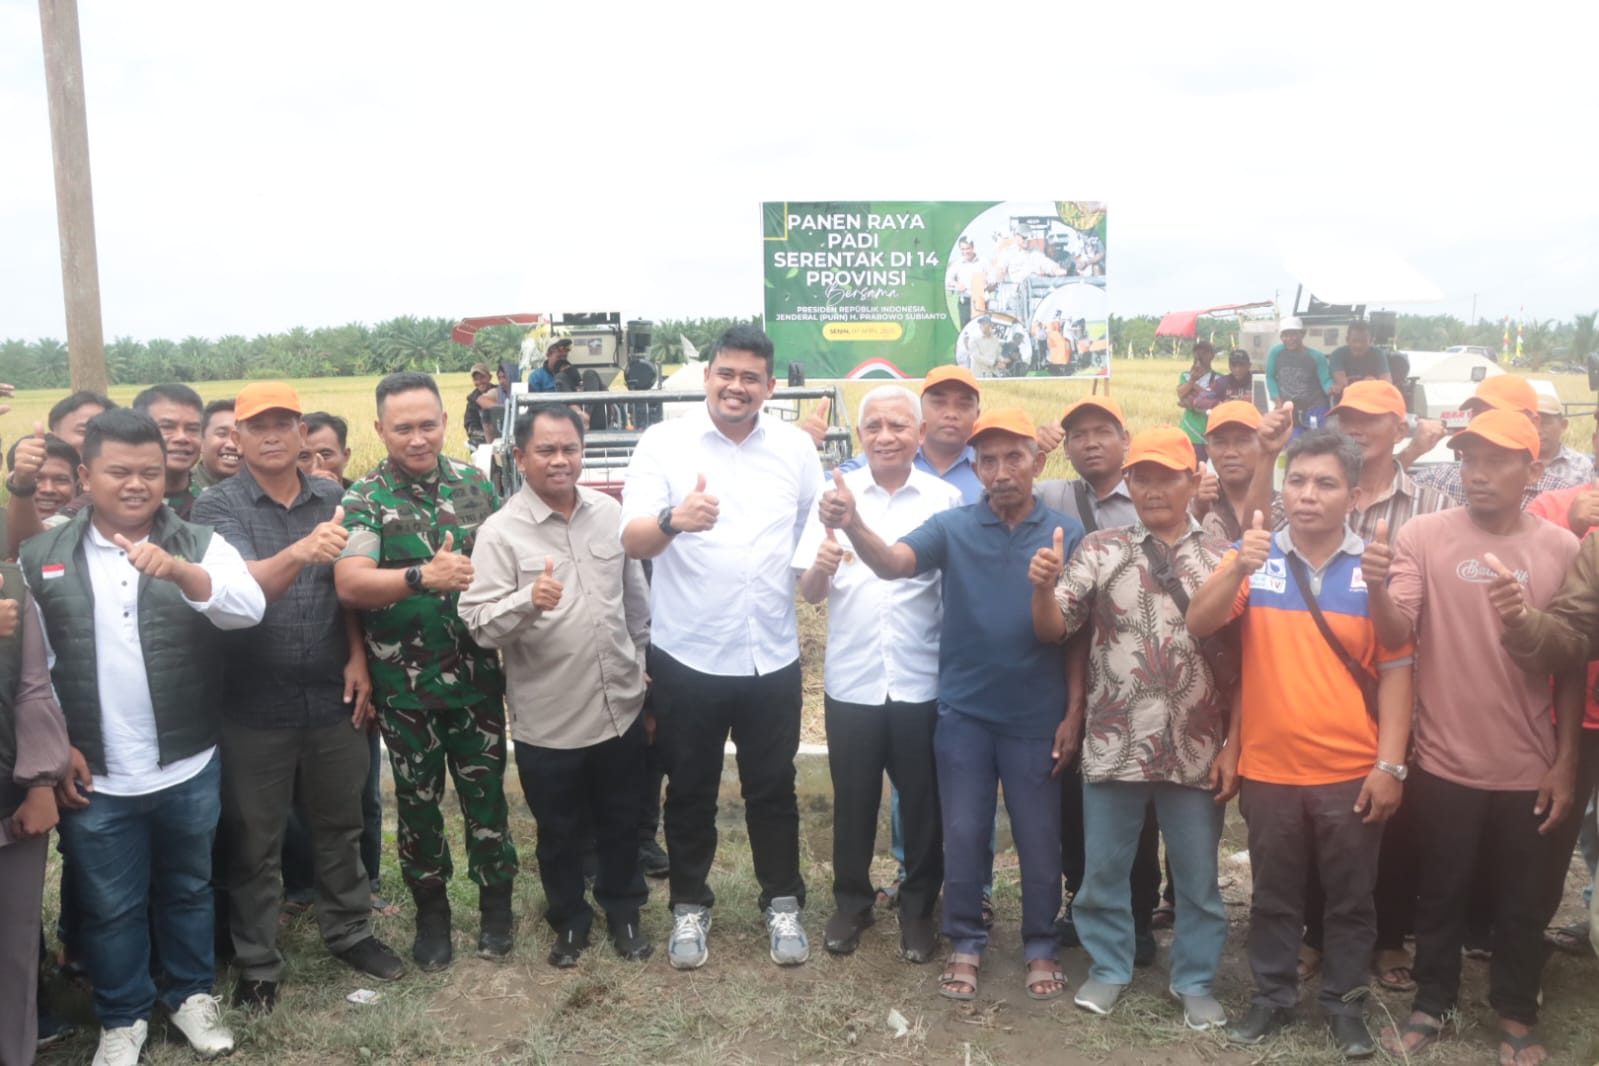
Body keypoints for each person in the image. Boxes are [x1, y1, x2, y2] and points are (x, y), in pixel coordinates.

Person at [21, 408, 267, 1066]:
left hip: (187, 763)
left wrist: (182, 573)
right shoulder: (41, 555)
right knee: (108, 904)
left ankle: (189, 995)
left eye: (150, 473)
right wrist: (57, 749)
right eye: (119, 472)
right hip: (94, 772)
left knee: (187, 887)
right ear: (84, 475)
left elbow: (248, 610)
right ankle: (122, 1015)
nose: (137, 485)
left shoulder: (199, 543)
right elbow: (32, 671)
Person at [820, 406, 1084, 1002]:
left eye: (1013, 456)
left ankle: (1040, 944)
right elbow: (892, 565)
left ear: (1037, 461)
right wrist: (855, 522)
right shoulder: (955, 527)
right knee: (963, 832)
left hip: (1036, 718)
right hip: (963, 712)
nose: (1000, 471)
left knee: (1040, 837)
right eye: (986, 460)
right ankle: (965, 937)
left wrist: (1074, 713)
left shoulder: (1068, 534)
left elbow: (1078, 639)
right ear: (975, 467)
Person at [1186, 429, 1414, 1058]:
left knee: (1350, 899)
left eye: (1325, 483)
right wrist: (1236, 561)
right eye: (1298, 481)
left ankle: (1344, 1005)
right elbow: (1198, 622)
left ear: (1356, 494)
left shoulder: (1372, 566)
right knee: (1275, 897)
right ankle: (1272, 999)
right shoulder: (1256, 559)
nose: (1307, 495)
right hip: (1270, 771)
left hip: (1349, 771)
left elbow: (1398, 669)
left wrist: (1390, 764)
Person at [1366, 409, 1584, 1066]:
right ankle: (1432, 1001)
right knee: (1440, 893)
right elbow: (1396, 632)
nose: (1477, 472)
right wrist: (1375, 589)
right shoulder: (1423, 537)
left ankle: (1516, 1010)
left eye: (1495, 460)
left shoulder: (1562, 551)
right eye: (1468, 458)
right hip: (1441, 762)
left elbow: (1571, 662)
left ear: (1533, 469)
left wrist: (1567, 762)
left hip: (1528, 765)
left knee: (1522, 903)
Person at [191, 383, 404, 1012]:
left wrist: (359, 658)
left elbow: (348, 590)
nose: (272, 434)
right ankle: (257, 961)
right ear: (238, 436)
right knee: (254, 840)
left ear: (303, 432)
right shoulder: (216, 507)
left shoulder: (335, 497)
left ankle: (350, 930)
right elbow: (230, 588)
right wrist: (300, 550)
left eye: (285, 422)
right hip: (253, 704)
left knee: (341, 824)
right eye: (257, 425)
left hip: (332, 694)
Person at [620, 324, 823, 970]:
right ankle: (688, 906)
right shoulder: (663, 443)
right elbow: (631, 539)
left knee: (773, 788)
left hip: (771, 654)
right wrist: (672, 521)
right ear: (706, 376)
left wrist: (819, 570)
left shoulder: (793, 448)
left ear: (768, 386)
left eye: (750, 378)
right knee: (689, 789)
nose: (736, 387)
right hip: (689, 655)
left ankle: (781, 902)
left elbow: (805, 539)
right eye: (725, 374)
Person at [1031, 426, 1231, 1029]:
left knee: (1197, 878)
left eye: (1167, 475)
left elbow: (1244, 662)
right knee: (1103, 872)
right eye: (1141, 476)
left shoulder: (1222, 557)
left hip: (1195, 746)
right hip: (1115, 740)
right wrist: (1041, 590)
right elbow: (1052, 628)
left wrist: (1234, 743)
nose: (1152, 487)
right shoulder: (1099, 548)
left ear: (1193, 479)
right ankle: (1110, 966)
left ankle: (1194, 978)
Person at [333, 371, 518, 972]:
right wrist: (420, 577)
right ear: (381, 429)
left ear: (445, 421)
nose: (418, 438)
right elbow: (350, 582)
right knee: (417, 807)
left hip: (477, 682)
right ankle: (432, 917)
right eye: (403, 428)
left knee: (486, 801)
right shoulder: (366, 498)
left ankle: (497, 909)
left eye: (428, 424)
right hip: (405, 688)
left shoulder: (474, 483)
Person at [460, 403, 652, 967]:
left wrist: (640, 662)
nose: (560, 460)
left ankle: (625, 911)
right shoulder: (500, 532)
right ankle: (569, 920)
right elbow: (476, 623)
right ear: (520, 457)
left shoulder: (609, 512)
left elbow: (635, 603)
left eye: (570, 448)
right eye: (545, 450)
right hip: (550, 716)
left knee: (623, 820)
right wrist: (527, 600)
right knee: (560, 832)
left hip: (619, 703)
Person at [1287, 380, 1455, 992]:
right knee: (1322, 821)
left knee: (1393, 816)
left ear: (1401, 425)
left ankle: (1388, 938)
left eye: (1369, 418)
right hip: (1330, 691)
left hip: (1409, 678)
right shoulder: (1315, 490)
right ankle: (1312, 935)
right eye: (1346, 418)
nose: (1356, 427)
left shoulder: (1432, 503)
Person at [795, 386, 962, 963]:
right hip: (853, 681)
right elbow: (811, 595)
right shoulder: (831, 498)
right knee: (854, 799)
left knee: (922, 802)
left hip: (922, 680)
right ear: (859, 436)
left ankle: (919, 909)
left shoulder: (944, 500)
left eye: (897, 426)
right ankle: (851, 902)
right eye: (873, 427)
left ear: (919, 434)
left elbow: (956, 593)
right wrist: (818, 570)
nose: (885, 437)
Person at [1517, 476, 1599, 955]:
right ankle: (1522, 953)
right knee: (1553, 841)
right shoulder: (1564, 509)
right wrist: (1522, 626)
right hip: (1579, 718)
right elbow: (1570, 627)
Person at [0, 560, 70, 1066]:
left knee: (14, 947)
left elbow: (32, 686)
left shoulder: (11, 583)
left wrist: (42, 780)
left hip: (10, 795)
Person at [1408, 375, 1584, 507]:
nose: (1486, 421)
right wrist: (1412, 451)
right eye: (1478, 412)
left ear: (1533, 423)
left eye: (1498, 413)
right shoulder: (1437, 481)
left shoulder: (1561, 498)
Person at [6, 394, 116, 549]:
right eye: (85, 431)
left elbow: (33, 546)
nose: (96, 443)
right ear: (53, 436)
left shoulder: (107, 503)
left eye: (107, 435)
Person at [1197, 402, 1289, 542]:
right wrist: (1198, 511)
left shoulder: (1285, 506)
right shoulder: (1199, 501)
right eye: (1220, 443)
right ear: (1208, 450)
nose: (1230, 453)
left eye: (1242, 441)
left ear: (1262, 443)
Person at [131, 384, 206, 519]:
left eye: (192, 428)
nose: (182, 437)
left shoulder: (215, 503)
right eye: (167, 427)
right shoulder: (114, 503)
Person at [1264, 317, 1332, 432]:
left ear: (1302, 334)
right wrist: (1277, 400)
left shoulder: (1316, 356)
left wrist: (1332, 388)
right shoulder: (1276, 352)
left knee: (1318, 444)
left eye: (1293, 334)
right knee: (1293, 446)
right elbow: (1270, 377)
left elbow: (1325, 381)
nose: (1289, 339)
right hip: (1290, 410)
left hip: (1315, 408)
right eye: (1285, 335)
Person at [1533, 393, 1594, 486]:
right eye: (1533, 423)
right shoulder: (1515, 461)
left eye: (1545, 423)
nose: (1538, 430)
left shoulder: (1581, 466)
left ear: (1563, 425)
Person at [1176, 342, 1222, 460]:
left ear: (1212, 355)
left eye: (1204, 352)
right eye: (1198, 353)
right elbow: (1181, 394)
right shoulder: (1186, 375)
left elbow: (1213, 398)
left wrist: (1193, 388)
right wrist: (1192, 379)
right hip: (1188, 430)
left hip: (1208, 430)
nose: (1200, 356)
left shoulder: (1219, 378)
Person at [1327, 322, 1391, 399]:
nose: (1358, 345)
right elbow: (1342, 383)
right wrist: (1370, 384)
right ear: (1347, 340)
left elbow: (1387, 382)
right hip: (1348, 399)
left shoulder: (1378, 354)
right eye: (1354, 341)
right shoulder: (1337, 355)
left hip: (1373, 398)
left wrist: (1375, 383)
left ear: (1371, 341)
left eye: (1363, 341)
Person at [192, 399, 240, 491]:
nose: (232, 445)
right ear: (201, 440)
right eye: (222, 434)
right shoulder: (178, 487)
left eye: (239, 436)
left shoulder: (266, 489)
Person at [299, 411, 354, 488]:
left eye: (325, 455)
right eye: (304, 457)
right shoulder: (281, 499)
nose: (315, 466)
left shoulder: (365, 498)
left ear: (345, 456)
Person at [945, 238, 984, 327]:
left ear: (973, 248)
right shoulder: (957, 264)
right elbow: (947, 279)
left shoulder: (982, 262)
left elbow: (991, 278)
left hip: (980, 302)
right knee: (965, 330)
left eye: (968, 248)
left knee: (980, 330)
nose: (965, 252)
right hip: (965, 301)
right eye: (963, 249)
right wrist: (956, 284)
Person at [463, 363, 499, 448]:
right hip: (483, 441)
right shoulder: (472, 399)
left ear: (490, 377)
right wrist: (488, 436)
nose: (479, 382)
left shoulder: (500, 391)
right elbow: (470, 427)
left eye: (482, 377)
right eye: (476, 379)